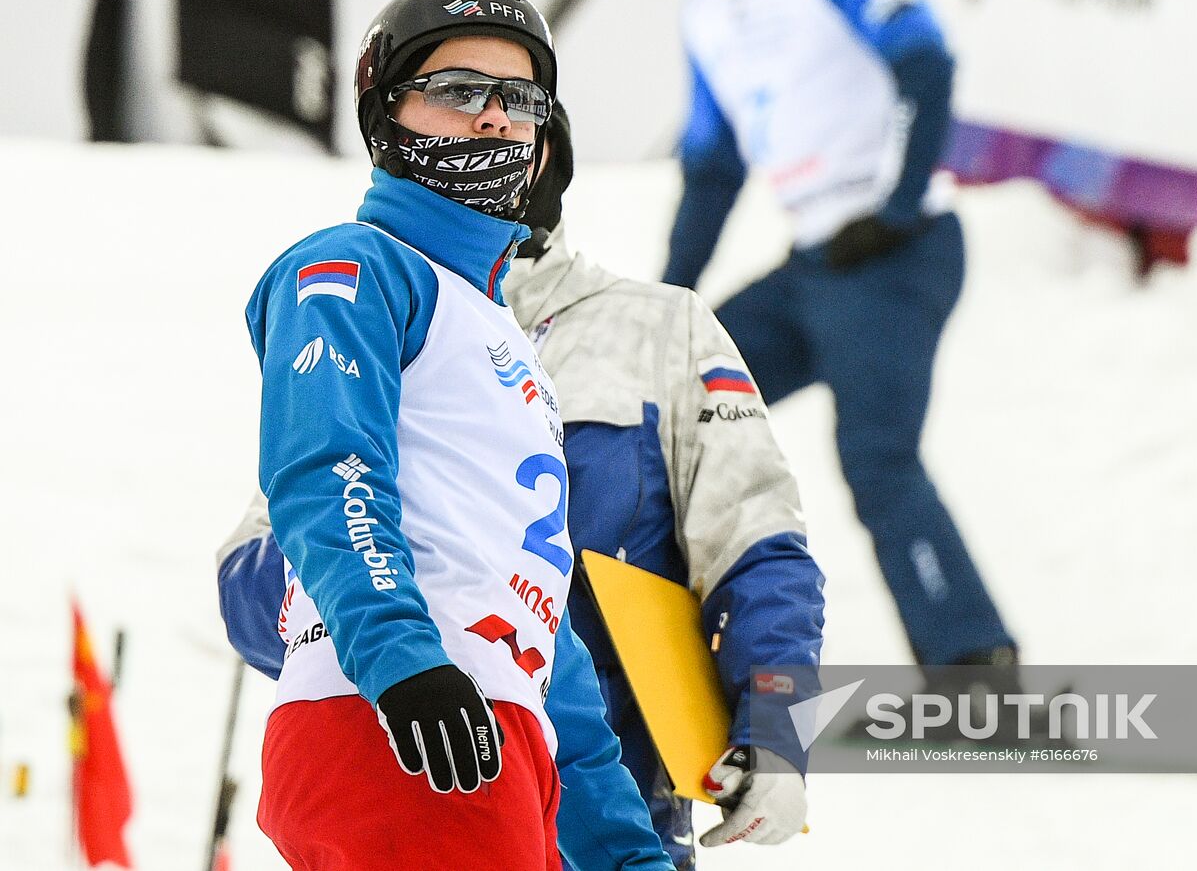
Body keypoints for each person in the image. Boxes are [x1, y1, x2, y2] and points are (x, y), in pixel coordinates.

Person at [221, 101, 825, 870]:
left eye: (518, 135)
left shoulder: (660, 327)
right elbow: (269, 550)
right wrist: (411, 627)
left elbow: (760, 543)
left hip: (617, 806)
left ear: (552, 160)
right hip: (423, 775)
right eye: (464, 120)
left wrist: (778, 726)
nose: (494, 149)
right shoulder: (381, 299)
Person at [238, 0, 670, 871]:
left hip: (501, 741)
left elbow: (539, 632)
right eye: (458, 90)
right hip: (398, 722)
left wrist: (627, 854)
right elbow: (326, 466)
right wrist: (401, 661)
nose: (494, 118)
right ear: (385, 111)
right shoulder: (356, 265)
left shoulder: (504, 343)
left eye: (520, 99)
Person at [663, 0, 1017, 673]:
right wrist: (667, 301)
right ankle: (659, 625)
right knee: (672, 386)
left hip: (897, 253)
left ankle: (977, 666)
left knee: (877, 458)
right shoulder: (705, 12)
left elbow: (925, 58)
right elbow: (712, 169)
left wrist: (897, 204)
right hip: (818, 263)